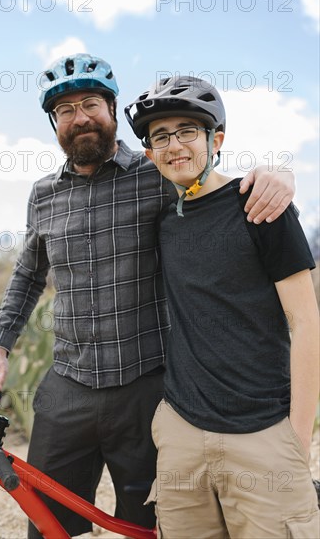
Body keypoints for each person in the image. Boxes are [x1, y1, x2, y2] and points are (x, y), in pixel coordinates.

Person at [0, 54, 297, 538]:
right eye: (64, 110)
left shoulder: (156, 174)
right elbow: (27, 274)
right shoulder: (42, 195)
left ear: (113, 109)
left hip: (150, 388)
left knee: (151, 525)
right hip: (67, 386)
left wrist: (275, 176)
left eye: (90, 103)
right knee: (51, 524)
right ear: (54, 123)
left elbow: (212, 185)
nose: (79, 117)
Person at [124, 75, 320, 538]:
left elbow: (306, 321)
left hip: (265, 433)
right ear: (150, 153)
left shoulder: (261, 207)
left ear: (217, 139)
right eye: (161, 136)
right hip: (181, 434)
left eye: (187, 130)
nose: (175, 145)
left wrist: (297, 438)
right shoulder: (162, 221)